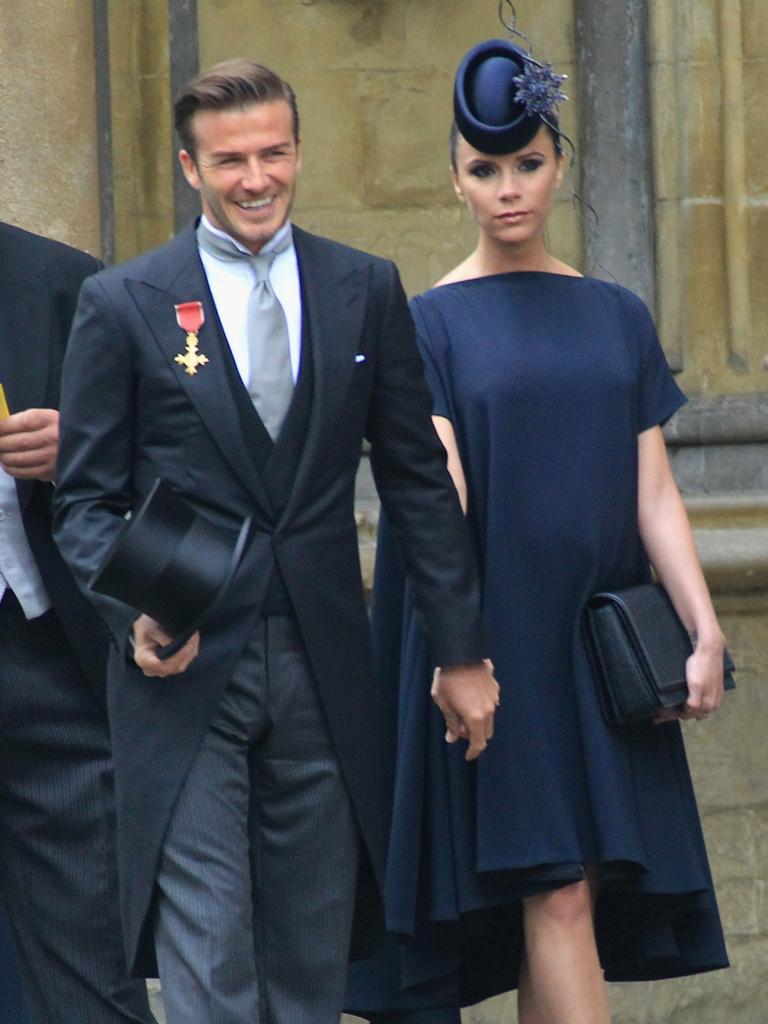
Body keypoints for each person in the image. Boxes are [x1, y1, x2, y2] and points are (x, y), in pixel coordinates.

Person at [51, 59, 499, 1024]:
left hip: (323, 664)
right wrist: (132, 614)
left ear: (298, 152)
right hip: (183, 667)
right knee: (208, 958)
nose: (256, 179)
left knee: (308, 961)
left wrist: (463, 651)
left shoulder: (364, 288)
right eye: (231, 161)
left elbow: (419, 481)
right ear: (190, 167)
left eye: (274, 153)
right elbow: (83, 503)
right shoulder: (125, 303)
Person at [345, 37, 729, 1024]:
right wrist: (459, 646)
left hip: (596, 643)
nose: (508, 188)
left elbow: (654, 494)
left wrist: (705, 626)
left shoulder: (617, 315)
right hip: (498, 637)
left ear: (558, 164)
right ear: (457, 178)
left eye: (527, 163)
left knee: (573, 896)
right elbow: (439, 500)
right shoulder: (424, 322)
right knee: (553, 888)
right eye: (485, 168)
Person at [0, 220, 155, 1023]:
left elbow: (169, 455)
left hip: (48, 663)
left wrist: (81, 450)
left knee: (92, 977)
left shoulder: (65, 281)